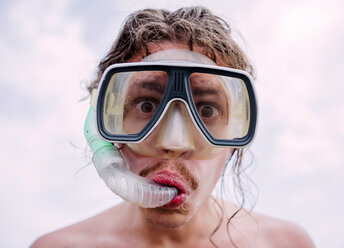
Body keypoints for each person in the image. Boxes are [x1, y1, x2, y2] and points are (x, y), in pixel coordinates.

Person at [31, 6, 315, 248]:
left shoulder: (286, 243)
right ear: (100, 127)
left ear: (235, 137)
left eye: (207, 110)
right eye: (146, 106)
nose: (175, 144)